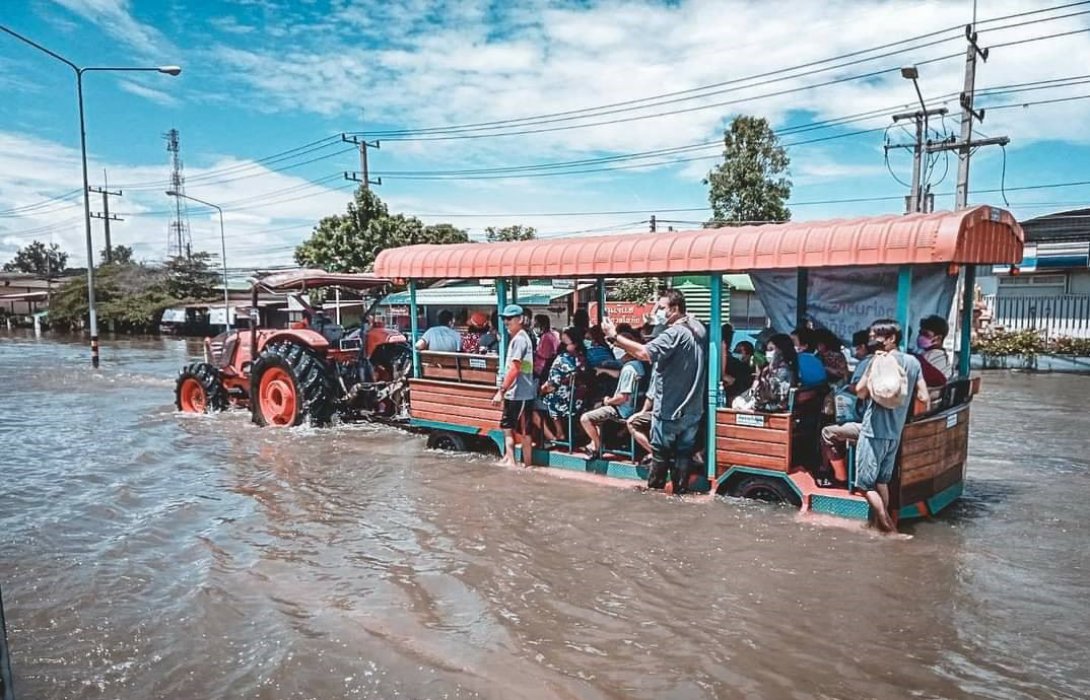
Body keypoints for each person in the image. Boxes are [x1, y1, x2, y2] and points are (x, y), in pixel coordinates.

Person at [603, 288, 706, 495]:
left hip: (670, 410)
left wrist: (614, 336)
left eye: (661, 308)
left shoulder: (674, 333)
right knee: (683, 454)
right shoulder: (697, 328)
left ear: (675, 309)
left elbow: (643, 352)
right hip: (693, 409)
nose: (657, 311)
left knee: (660, 456)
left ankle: (655, 496)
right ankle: (680, 493)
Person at [854, 319, 930, 532]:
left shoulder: (877, 361)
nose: (871, 340)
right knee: (882, 481)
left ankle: (888, 528)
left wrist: (868, 381)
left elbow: (860, 392)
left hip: (873, 430)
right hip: (895, 433)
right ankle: (877, 526)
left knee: (865, 485)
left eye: (874, 336)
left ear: (890, 338)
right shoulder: (914, 362)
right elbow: (923, 396)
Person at [818, 330, 876, 488]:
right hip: (879, 421)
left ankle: (840, 478)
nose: (854, 352)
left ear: (863, 347)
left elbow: (857, 389)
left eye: (856, 348)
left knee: (826, 432)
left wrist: (845, 388)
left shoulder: (866, 363)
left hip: (867, 423)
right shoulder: (884, 361)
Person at [579, 330, 646, 457]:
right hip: (634, 406)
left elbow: (622, 397)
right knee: (597, 406)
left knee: (586, 418)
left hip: (623, 409)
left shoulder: (628, 369)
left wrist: (608, 401)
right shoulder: (638, 365)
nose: (615, 349)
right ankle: (596, 443)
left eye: (618, 346)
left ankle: (597, 448)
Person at [491, 304, 537, 467]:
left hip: (519, 392)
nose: (506, 322)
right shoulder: (522, 338)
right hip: (519, 391)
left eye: (509, 319)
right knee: (515, 428)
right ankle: (519, 462)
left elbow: (515, 368)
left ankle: (513, 462)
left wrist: (501, 391)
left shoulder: (519, 340)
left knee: (513, 428)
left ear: (520, 320)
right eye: (504, 319)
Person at [534, 327, 587, 443]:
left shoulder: (561, 360)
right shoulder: (582, 358)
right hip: (580, 399)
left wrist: (541, 391)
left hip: (564, 401)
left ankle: (557, 434)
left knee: (533, 406)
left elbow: (552, 385)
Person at [733, 333, 798, 412]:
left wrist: (752, 405)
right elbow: (754, 392)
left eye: (771, 349)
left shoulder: (784, 372)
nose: (768, 353)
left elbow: (775, 398)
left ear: (781, 350)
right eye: (767, 350)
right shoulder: (768, 369)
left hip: (772, 411)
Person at [915, 315, 955, 399]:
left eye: (926, 334)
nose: (920, 337)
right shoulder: (939, 356)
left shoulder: (931, 357)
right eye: (920, 333)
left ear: (938, 338)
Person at [532, 314, 560, 378]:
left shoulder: (546, 337)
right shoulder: (551, 335)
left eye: (536, 325)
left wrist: (535, 353)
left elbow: (545, 355)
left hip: (542, 368)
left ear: (543, 325)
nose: (534, 327)